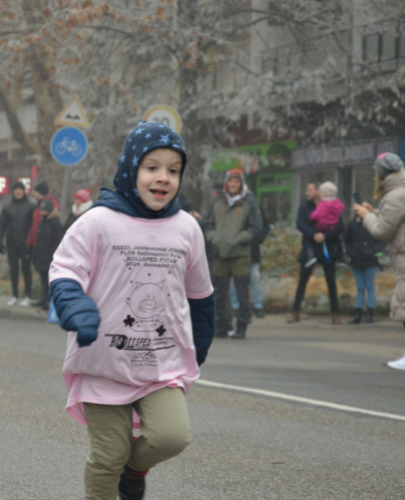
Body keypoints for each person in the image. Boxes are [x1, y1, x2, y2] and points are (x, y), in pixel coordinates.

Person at [50, 121, 214, 500]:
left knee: (172, 437)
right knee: (108, 457)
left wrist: (199, 345)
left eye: (173, 170)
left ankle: (135, 469)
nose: (163, 178)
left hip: (161, 364)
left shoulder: (187, 228)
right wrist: (77, 310)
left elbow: (201, 296)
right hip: (102, 361)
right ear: (131, 168)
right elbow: (64, 271)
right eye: (152, 167)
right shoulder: (97, 221)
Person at [354, 153, 405, 370]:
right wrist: (374, 211)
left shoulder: (395, 196)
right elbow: (397, 218)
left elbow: (382, 230)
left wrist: (365, 216)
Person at [202, 169, 263, 339]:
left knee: (242, 292)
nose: (233, 185)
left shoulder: (249, 203)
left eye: (237, 182)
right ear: (226, 184)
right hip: (220, 254)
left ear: (241, 184)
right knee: (218, 293)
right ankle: (222, 325)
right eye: (231, 182)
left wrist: (238, 239)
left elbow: (256, 227)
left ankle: (242, 326)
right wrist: (213, 238)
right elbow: (206, 223)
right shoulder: (217, 202)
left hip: (240, 255)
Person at [288, 183, 344, 325]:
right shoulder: (305, 207)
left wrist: (325, 235)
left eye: (310, 190)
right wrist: (314, 235)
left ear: (319, 192)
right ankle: (295, 311)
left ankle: (335, 313)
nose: (307, 193)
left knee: (331, 281)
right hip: (310, 249)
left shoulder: (332, 206)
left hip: (327, 248)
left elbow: (340, 227)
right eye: (307, 190)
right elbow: (300, 224)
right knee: (303, 281)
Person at [0, 181, 35, 306]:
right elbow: (1, 225)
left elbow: (34, 226)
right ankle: (14, 295)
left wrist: (34, 242)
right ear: (13, 192)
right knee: (13, 269)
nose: (18, 192)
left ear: (24, 191)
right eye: (16, 189)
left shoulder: (31, 207)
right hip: (12, 242)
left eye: (20, 189)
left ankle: (28, 296)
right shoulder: (7, 208)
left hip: (26, 243)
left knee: (26, 269)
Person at [230, 203, 270, 319]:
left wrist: (258, 240)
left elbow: (265, 227)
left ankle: (258, 306)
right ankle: (235, 306)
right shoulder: (232, 206)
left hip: (253, 251)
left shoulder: (256, 207)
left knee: (255, 278)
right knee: (234, 280)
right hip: (236, 251)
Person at [344, 211, 384, 324]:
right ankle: (359, 312)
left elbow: (381, 240)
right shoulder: (353, 225)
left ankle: (369, 312)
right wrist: (351, 252)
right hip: (357, 260)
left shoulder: (373, 224)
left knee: (369, 286)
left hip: (370, 260)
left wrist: (373, 250)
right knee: (360, 287)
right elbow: (347, 240)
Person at [32, 199, 64, 311]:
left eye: (44, 211)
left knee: (49, 281)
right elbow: (39, 239)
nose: (41, 213)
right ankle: (44, 299)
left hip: (50, 257)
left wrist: (53, 256)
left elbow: (57, 242)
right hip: (42, 256)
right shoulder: (43, 223)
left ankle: (49, 301)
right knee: (43, 280)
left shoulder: (56, 224)